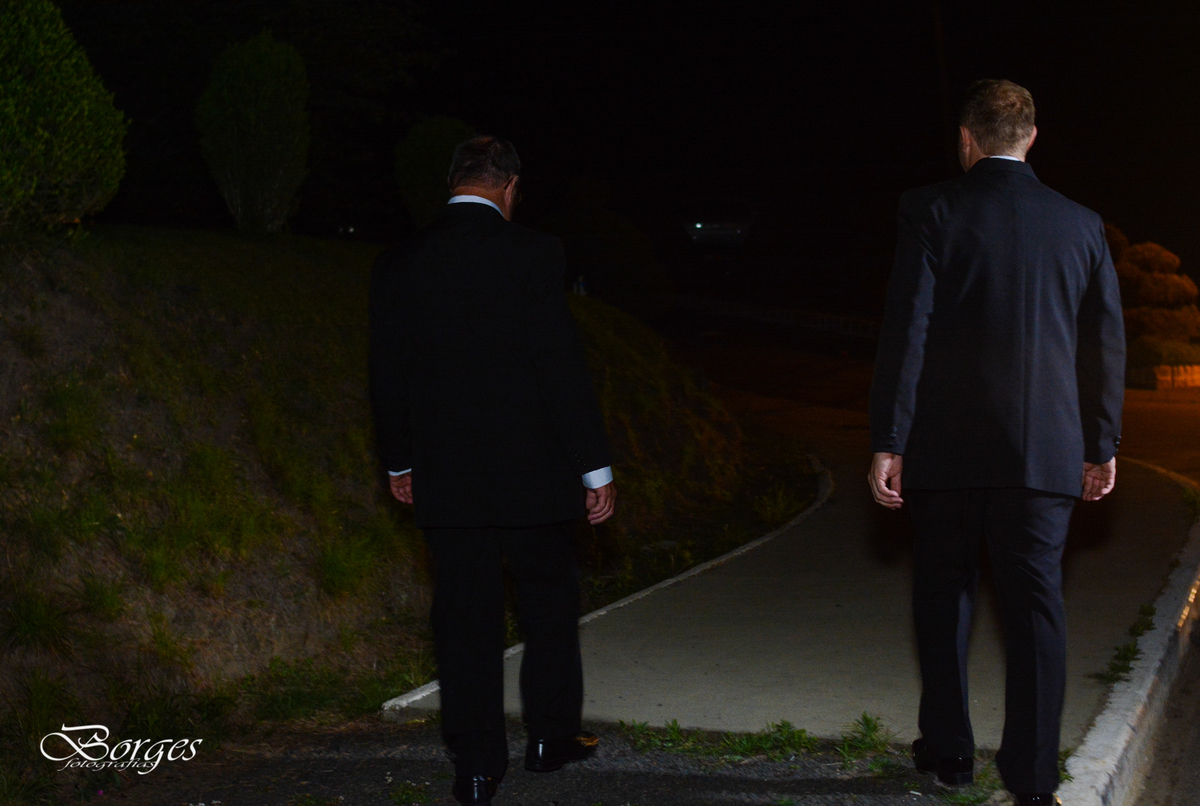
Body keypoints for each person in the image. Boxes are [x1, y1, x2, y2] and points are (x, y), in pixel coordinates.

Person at [868, 79, 1125, 805]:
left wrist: (890, 437)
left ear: (966, 138)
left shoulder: (930, 209)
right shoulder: (1082, 224)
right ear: (1032, 137)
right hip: (1044, 451)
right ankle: (1033, 779)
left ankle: (951, 754)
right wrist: (1100, 443)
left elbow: (908, 328)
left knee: (943, 592)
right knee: (1036, 608)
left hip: (945, 447)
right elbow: (1104, 344)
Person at [369, 136, 616, 806]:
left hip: (446, 473)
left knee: (463, 619)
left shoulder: (400, 261)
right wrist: (594, 468)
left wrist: (399, 460)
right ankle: (550, 738)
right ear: (509, 186)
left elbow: (386, 372)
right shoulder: (534, 252)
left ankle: (477, 768)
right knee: (549, 606)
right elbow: (559, 365)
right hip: (534, 470)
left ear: (453, 182)